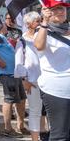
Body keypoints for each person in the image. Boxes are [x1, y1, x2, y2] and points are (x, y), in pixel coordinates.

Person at [34, 0, 70, 141]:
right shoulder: (43, 31)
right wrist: (44, 22)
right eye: (55, 9)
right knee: (60, 135)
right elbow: (39, 46)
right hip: (57, 90)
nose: (60, 12)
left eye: (62, 8)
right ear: (46, 12)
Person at [14, 11, 47, 141]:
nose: (39, 23)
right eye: (37, 21)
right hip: (32, 81)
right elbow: (18, 62)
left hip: (49, 79)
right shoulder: (22, 41)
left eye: (40, 20)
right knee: (35, 111)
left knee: (51, 111)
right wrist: (24, 80)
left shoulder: (46, 36)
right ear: (28, 24)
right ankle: (35, 139)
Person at [0, 24, 27, 137]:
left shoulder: (5, 38)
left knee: (21, 99)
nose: (6, 26)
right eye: (3, 25)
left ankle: (20, 126)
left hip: (15, 73)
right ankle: (8, 129)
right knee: (9, 100)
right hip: (7, 74)